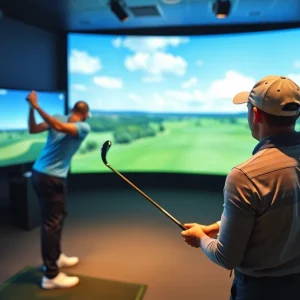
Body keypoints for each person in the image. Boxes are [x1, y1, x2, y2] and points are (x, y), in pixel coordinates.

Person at [181, 75, 300, 300]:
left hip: (260, 292)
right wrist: (217, 227)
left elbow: (227, 258)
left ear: (255, 114)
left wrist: (200, 238)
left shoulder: (245, 175)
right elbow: (271, 214)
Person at [27, 91, 91, 289]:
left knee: (58, 216)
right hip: (51, 178)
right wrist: (34, 107)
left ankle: (57, 256)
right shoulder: (84, 125)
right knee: (52, 223)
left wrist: (32, 107)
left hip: (40, 174)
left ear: (72, 110)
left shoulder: (71, 124)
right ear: (87, 114)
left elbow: (46, 127)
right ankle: (51, 275)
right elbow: (38, 128)